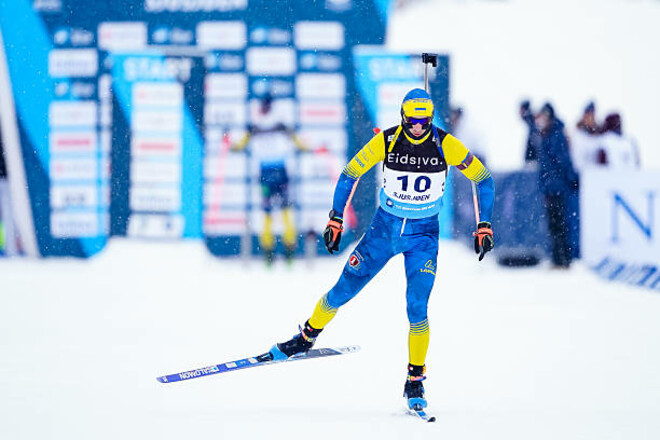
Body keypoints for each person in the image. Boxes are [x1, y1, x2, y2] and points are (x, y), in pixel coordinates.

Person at [265, 89, 495, 411]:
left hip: (423, 236)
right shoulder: (386, 141)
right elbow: (350, 173)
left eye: (425, 121)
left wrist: (484, 224)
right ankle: (306, 337)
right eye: (412, 121)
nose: (419, 128)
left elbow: (483, 178)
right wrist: (335, 218)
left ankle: (415, 380)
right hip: (383, 231)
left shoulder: (445, 143)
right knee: (342, 290)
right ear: (403, 117)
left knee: (417, 307)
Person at [232, 93, 307, 265]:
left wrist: (230, 145)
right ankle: (288, 253)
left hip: (267, 174)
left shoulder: (255, 125)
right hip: (279, 173)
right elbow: (299, 143)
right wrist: (310, 147)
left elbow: (239, 146)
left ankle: (269, 254)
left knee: (269, 213)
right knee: (283, 211)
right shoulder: (279, 123)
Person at [535, 103, 579, 269]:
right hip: (551, 188)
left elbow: (563, 161)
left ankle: (563, 260)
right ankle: (558, 259)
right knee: (555, 225)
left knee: (559, 224)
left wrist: (570, 179)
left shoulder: (555, 135)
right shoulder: (547, 134)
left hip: (557, 188)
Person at [570, 101, 604, 171]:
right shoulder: (575, 135)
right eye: (588, 115)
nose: (590, 118)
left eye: (592, 115)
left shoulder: (600, 136)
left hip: (597, 173)